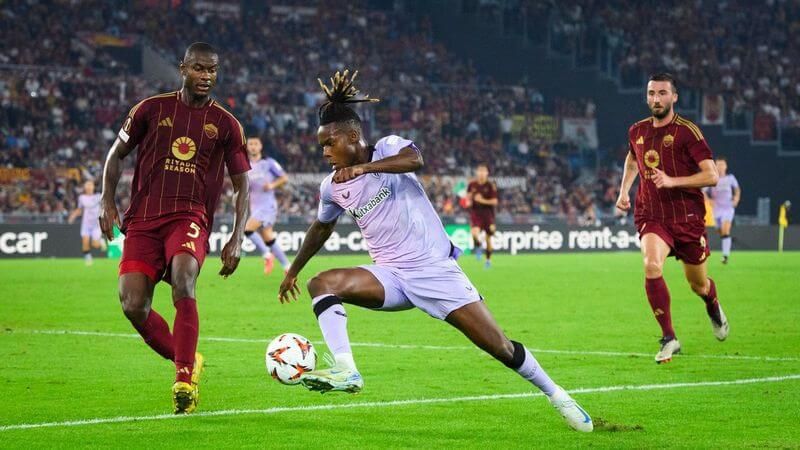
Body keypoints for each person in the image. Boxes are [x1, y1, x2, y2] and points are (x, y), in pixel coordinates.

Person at [278, 70, 592, 432]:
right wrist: (293, 270)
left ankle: (557, 395)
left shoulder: (388, 147)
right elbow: (321, 227)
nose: (325, 152)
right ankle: (347, 369)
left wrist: (364, 167)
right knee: (323, 284)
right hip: (390, 276)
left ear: (353, 135)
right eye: (321, 146)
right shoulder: (332, 187)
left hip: (435, 272)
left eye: (330, 143)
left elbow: (416, 160)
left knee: (500, 347)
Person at [99, 42, 250, 414]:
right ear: (182, 68)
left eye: (212, 70)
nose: (206, 76)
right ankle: (189, 358)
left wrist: (237, 236)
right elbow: (115, 155)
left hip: (190, 217)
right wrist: (106, 200)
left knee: (184, 277)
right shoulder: (151, 109)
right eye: (199, 68)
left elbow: (243, 184)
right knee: (133, 304)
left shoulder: (227, 124)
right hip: (144, 219)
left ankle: (184, 380)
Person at [616, 73, 729, 364]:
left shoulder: (688, 132)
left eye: (662, 93)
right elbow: (632, 159)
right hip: (652, 214)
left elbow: (711, 176)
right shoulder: (637, 131)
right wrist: (624, 191)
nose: (656, 99)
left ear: (674, 97)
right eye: (652, 93)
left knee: (698, 285)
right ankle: (669, 338)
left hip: (688, 218)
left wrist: (672, 180)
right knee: (651, 265)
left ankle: (712, 303)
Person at [244, 136, 291, 274]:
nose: (253, 146)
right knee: (268, 238)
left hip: (267, 205)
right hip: (255, 206)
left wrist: (272, 185)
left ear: (260, 146)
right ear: (247, 147)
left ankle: (267, 255)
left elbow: (284, 178)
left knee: (247, 229)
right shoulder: (245, 166)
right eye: (250, 144)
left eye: (255, 144)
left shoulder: (268, 163)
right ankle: (287, 267)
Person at [704, 157, 740, 264]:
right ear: (715, 166)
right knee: (720, 231)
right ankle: (728, 239)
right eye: (718, 165)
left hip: (728, 208)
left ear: (726, 166)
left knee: (725, 230)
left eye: (722, 165)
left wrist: (736, 198)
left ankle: (725, 256)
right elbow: (703, 192)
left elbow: (737, 189)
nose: (720, 167)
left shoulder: (730, 178)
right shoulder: (712, 178)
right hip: (716, 209)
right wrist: (709, 200)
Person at [466, 164, 498, 268]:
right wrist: (469, 201)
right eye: (479, 171)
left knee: (488, 239)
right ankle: (478, 246)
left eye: (484, 171)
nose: (481, 173)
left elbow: (495, 201)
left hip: (488, 215)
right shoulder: (472, 184)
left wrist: (482, 200)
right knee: (474, 233)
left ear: (487, 173)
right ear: (477, 172)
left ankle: (488, 260)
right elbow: (467, 198)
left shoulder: (490, 185)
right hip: (476, 213)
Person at [68, 179, 106, 265]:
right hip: (86, 224)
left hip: (96, 224)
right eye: (87, 185)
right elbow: (79, 209)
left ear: (93, 187)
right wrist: (72, 216)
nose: (89, 187)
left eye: (90, 185)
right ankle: (88, 259)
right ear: (84, 187)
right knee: (85, 242)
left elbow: (105, 206)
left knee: (95, 244)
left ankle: (101, 242)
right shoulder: (82, 198)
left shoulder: (98, 196)